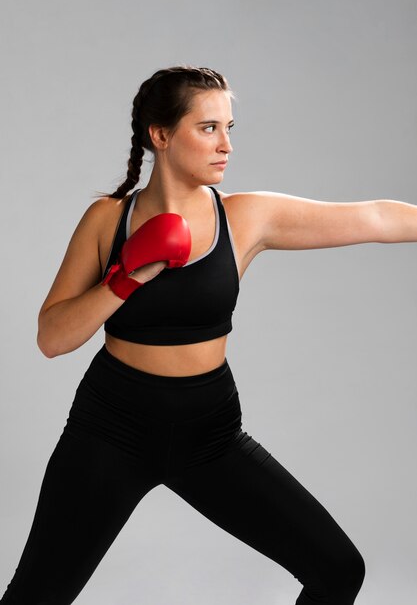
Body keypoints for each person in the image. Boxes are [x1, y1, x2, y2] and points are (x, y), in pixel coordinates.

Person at [2, 65, 417, 605]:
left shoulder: (246, 218)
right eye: (208, 128)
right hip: (111, 429)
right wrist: (126, 279)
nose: (226, 145)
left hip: (209, 433)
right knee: (34, 597)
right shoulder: (107, 220)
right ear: (161, 135)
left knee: (338, 571)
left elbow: (377, 218)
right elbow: (52, 338)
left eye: (230, 128)